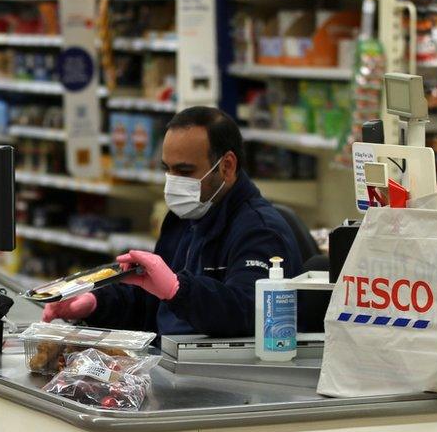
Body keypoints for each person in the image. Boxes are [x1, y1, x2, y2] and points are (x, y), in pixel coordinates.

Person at [43, 106, 303, 337]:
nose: (172, 181)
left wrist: (178, 289)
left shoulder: (261, 232)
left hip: (221, 375)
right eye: (167, 169)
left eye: (185, 171)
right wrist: (95, 302)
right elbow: (149, 307)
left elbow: (250, 313)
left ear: (227, 166)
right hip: (167, 364)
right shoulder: (182, 221)